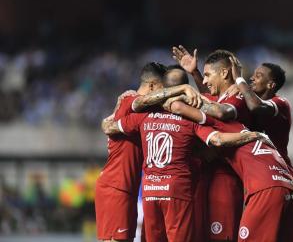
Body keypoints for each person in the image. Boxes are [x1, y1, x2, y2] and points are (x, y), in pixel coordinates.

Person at [101, 100, 272, 242]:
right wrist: (254, 135)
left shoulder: (143, 117)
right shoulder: (189, 121)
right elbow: (218, 140)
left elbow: (109, 127)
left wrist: (119, 105)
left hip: (150, 191)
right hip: (176, 190)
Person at [164, 97, 293, 242]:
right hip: (289, 185)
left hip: (267, 186)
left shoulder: (217, 123)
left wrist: (184, 90)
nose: (202, 156)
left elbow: (177, 106)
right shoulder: (240, 128)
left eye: (199, 149)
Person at [173, 46, 252, 241]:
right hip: (206, 176)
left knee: (220, 236)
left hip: (225, 179)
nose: (205, 80)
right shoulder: (221, 97)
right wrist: (194, 73)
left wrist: (183, 100)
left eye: (208, 75)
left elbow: (220, 111)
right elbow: (211, 101)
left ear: (225, 73)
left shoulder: (240, 95)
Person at [94, 62, 167, 242]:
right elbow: (142, 100)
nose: (163, 94)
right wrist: (182, 89)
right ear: (152, 86)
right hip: (116, 186)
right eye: (162, 88)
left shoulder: (131, 107)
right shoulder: (131, 101)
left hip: (123, 187)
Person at [229, 56, 293, 182]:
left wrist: (239, 79)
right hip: (257, 173)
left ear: (270, 85)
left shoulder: (281, 103)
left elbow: (256, 106)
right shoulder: (246, 102)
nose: (251, 78)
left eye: (258, 76)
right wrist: (195, 73)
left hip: (280, 174)